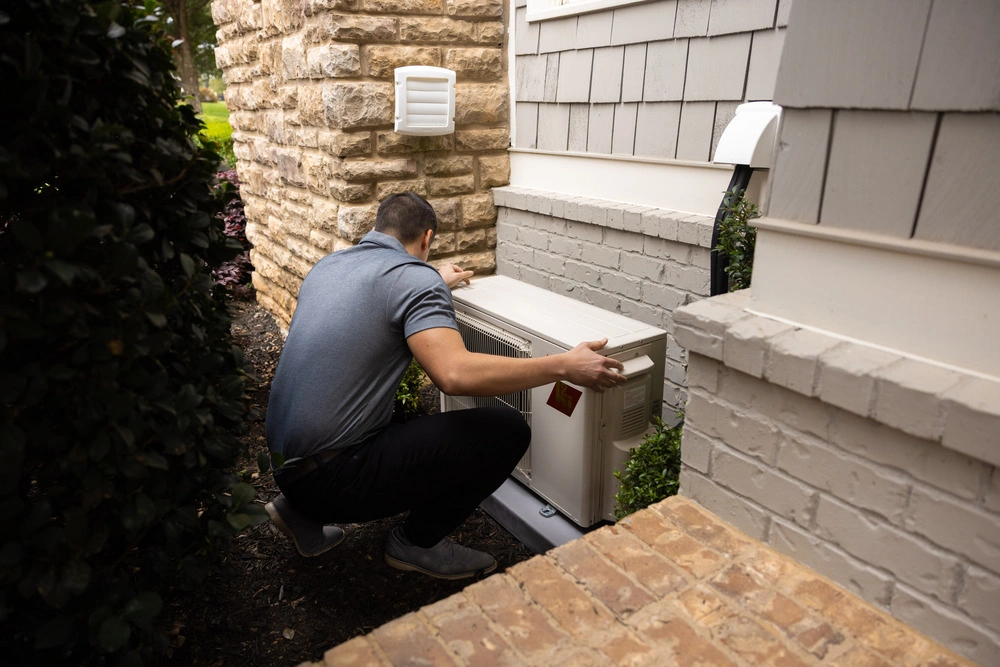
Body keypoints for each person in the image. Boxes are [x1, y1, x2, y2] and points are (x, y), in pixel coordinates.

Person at [264, 192, 627, 579]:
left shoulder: (331, 266)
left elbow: (381, 296)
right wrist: (563, 366)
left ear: (378, 228)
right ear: (427, 238)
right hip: (332, 479)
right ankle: (416, 542)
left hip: (287, 467)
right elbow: (454, 376)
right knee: (507, 431)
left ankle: (298, 513)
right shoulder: (414, 280)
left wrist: (434, 279)